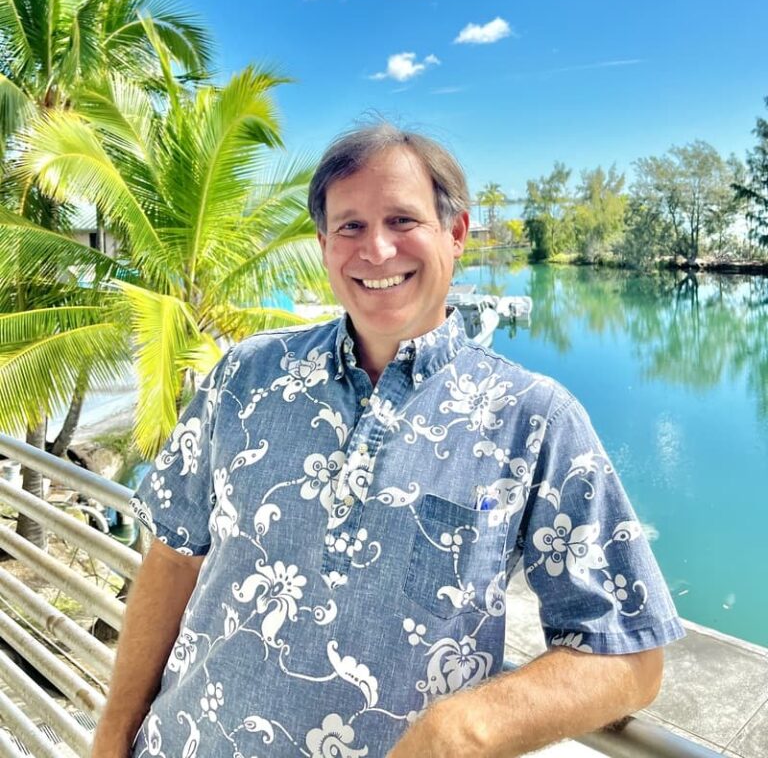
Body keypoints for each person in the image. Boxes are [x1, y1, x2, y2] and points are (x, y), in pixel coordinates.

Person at [92, 123, 684, 758]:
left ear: (455, 235)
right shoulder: (245, 375)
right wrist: (112, 738)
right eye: (349, 227)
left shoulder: (533, 419)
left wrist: (461, 731)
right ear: (323, 245)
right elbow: (174, 558)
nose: (375, 250)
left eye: (403, 220)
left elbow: (631, 657)